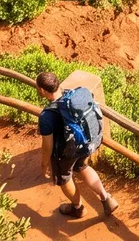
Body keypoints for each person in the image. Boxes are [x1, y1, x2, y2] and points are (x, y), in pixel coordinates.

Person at [37, 71, 118, 219]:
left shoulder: (46, 116)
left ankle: (77, 208)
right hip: (86, 143)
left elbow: (47, 146)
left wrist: (44, 165)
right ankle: (106, 198)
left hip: (66, 152)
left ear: (42, 90)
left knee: (64, 178)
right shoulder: (72, 96)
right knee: (81, 166)